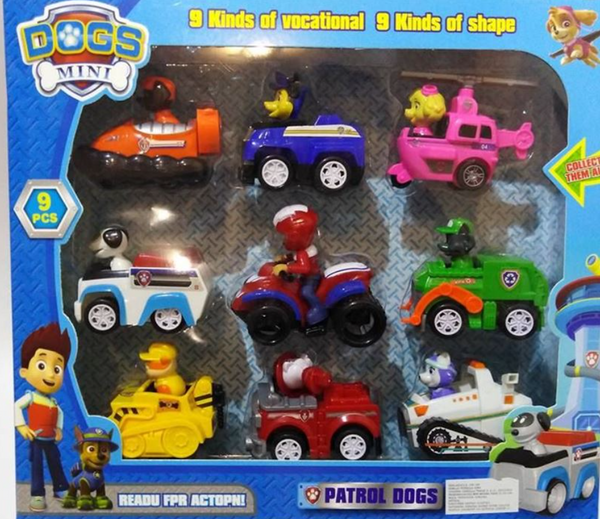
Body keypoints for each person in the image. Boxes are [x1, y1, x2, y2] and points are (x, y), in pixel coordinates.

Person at [15, 323, 71, 512]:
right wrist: (22, 426)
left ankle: (61, 488)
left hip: (50, 439)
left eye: (57, 369)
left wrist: (59, 429)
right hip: (37, 439)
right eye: (42, 365)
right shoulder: (30, 397)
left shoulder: (53, 402)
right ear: (24, 371)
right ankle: (37, 494)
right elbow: (16, 406)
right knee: (37, 467)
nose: (50, 374)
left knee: (56, 463)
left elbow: (60, 414)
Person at [272, 205, 327, 326]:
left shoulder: (303, 253)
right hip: (305, 277)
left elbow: (305, 268)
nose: (283, 240)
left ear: (295, 236)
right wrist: (285, 258)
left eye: (285, 237)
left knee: (306, 292)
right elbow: (294, 257)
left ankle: (319, 309)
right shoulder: (301, 251)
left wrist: (287, 267)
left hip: (312, 277)